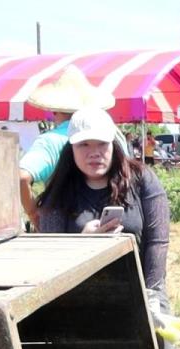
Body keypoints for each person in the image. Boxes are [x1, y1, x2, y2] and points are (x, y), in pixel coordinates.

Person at [35, 107, 180, 349]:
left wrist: (150, 294)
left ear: (114, 144)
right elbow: (47, 254)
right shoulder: (60, 193)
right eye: (84, 146)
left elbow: (158, 242)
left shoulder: (141, 179)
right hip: (84, 301)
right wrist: (83, 239)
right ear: (71, 149)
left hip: (143, 291)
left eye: (101, 145)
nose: (94, 154)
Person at [19, 66, 115, 229]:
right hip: (113, 219)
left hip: (67, 224)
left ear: (56, 111)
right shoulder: (111, 136)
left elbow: (22, 177)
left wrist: (34, 214)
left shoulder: (51, 140)